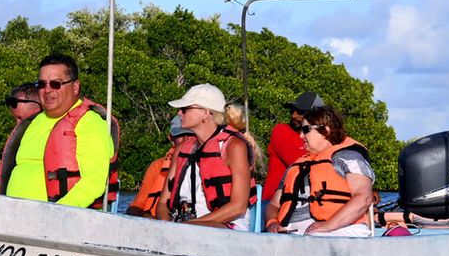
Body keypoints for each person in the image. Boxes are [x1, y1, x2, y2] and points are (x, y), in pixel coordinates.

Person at [0, 52, 119, 208]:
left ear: (75, 87)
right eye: (42, 84)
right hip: (10, 215)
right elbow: (5, 176)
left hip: (56, 222)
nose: (47, 90)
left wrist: (55, 215)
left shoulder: (89, 123)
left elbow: (93, 183)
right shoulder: (33, 121)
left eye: (55, 84)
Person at [264, 104, 376, 236]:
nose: (301, 136)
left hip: (340, 230)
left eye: (306, 130)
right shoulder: (296, 167)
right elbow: (274, 205)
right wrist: (272, 223)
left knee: (313, 237)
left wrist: (328, 225)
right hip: (296, 234)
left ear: (326, 131)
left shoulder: (350, 158)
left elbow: (364, 198)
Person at [155, 84, 256, 229]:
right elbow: (164, 201)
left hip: (226, 226)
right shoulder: (181, 150)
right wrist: (165, 225)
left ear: (205, 113)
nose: (179, 113)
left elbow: (238, 207)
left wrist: (187, 226)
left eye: (185, 109)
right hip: (183, 225)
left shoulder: (234, 146)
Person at [126, 114, 193, 218]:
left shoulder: (201, 165)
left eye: (189, 134)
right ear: (171, 139)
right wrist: (148, 218)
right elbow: (134, 208)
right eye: (180, 135)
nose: (185, 140)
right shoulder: (157, 166)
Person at [261, 91, 323, 203]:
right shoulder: (280, 130)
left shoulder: (321, 140)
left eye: (300, 112)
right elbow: (301, 165)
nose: (294, 115)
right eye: (292, 110)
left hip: (306, 202)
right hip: (274, 201)